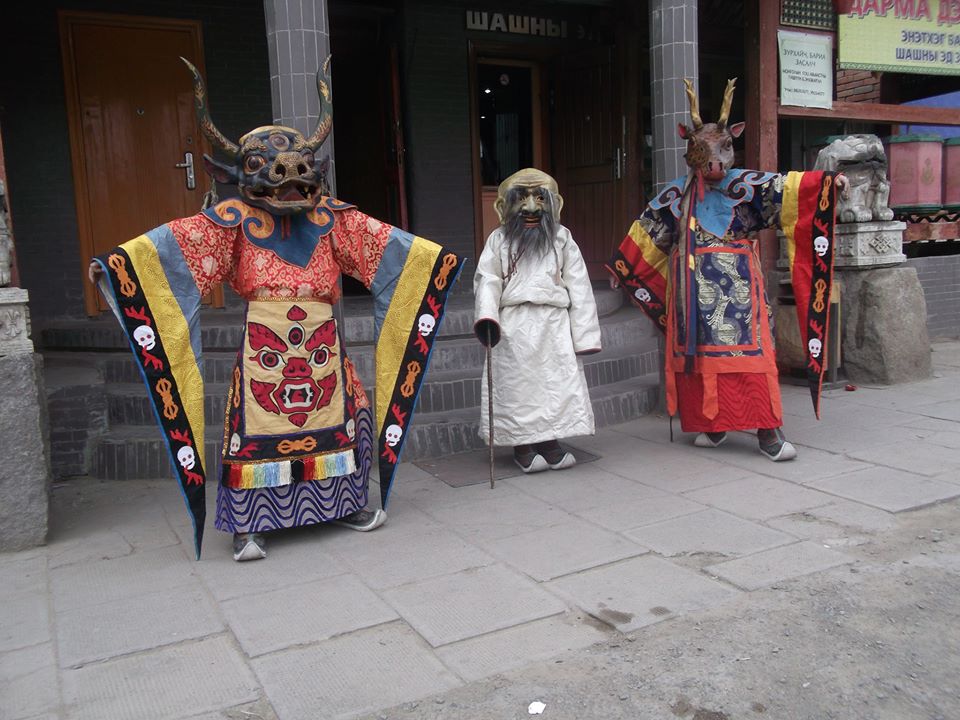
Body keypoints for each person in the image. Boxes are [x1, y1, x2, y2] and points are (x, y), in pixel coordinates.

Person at [89, 58, 464, 561]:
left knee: (341, 419)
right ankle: (249, 524)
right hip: (264, 352)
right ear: (232, 176)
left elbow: (392, 253)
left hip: (323, 349)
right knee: (256, 429)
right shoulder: (231, 220)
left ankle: (345, 504)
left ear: (316, 174)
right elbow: (173, 254)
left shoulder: (333, 219)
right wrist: (119, 268)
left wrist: (440, 263)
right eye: (264, 168)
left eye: (298, 170)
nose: (286, 180)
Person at [607, 78, 846, 461]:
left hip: (740, 294)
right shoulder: (675, 195)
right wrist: (625, 267)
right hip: (695, 297)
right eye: (704, 150)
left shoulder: (747, 185)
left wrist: (828, 184)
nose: (714, 159)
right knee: (701, 361)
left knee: (752, 359)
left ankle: (768, 430)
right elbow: (647, 236)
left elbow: (788, 188)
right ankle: (714, 426)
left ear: (733, 144)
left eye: (722, 148)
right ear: (691, 150)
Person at [474, 168, 601, 473]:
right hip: (514, 326)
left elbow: (579, 286)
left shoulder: (562, 238)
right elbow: (488, 279)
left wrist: (585, 336)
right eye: (522, 199)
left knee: (554, 387)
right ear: (505, 205)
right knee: (519, 390)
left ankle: (550, 443)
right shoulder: (498, 240)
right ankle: (523, 445)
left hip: (553, 324)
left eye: (539, 198)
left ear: (553, 203)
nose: (531, 208)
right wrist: (488, 317)